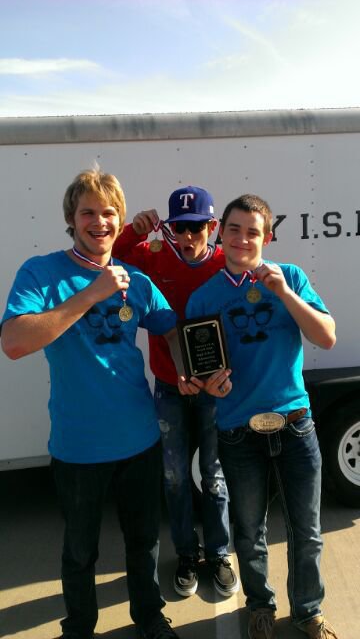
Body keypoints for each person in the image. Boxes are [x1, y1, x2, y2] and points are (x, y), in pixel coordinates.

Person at [0, 168, 182, 639]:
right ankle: (79, 628)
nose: (98, 222)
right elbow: (15, 342)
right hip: (78, 446)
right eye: (88, 212)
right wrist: (92, 293)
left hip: (139, 438)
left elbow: (172, 326)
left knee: (143, 543)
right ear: (71, 217)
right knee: (80, 550)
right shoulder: (41, 272)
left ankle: (149, 617)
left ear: (120, 221)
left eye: (108, 214)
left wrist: (188, 369)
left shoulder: (136, 280)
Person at [178, 194, 339, 639]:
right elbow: (201, 369)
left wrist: (283, 293)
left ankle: (308, 611)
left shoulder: (291, 278)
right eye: (234, 229)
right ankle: (260, 605)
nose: (243, 238)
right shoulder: (203, 298)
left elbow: (326, 337)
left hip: (294, 425)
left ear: (266, 236)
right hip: (237, 433)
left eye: (253, 231)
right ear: (220, 233)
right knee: (249, 533)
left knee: (307, 532)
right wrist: (209, 385)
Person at [112, 186, 239, 598]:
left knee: (214, 476)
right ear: (168, 228)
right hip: (169, 385)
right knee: (175, 478)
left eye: (197, 227)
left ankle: (219, 552)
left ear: (212, 227)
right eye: (180, 228)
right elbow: (106, 259)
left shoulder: (226, 263)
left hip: (215, 390)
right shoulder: (152, 259)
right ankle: (186, 553)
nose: (188, 237)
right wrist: (133, 231)